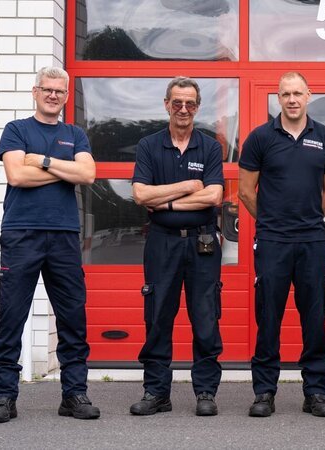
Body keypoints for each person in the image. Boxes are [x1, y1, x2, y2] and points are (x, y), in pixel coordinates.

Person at [0, 66, 100, 423]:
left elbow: (88, 174)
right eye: (47, 89)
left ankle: (74, 394)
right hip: (21, 233)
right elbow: (17, 175)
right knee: (11, 315)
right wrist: (64, 170)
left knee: (72, 317)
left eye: (59, 91)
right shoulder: (17, 129)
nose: (53, 95)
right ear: (35, 92)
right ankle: (4, 397)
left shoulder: (74, 134)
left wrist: (44, 161)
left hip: (64, 235)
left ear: (66, 97)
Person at [238, 72, 325, 418]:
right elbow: (245, 191)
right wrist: (271, 221)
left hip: (312, 240)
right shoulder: (260, 138)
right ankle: (264, 391)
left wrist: (307, 218)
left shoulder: (324, 137)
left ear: (308, 95)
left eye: (298, 93)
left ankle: (316, 392)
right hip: (272, 241)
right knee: (268, 317)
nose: (292, 100)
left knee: (315, 318)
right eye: (286, 94)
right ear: (278, 98)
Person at [130, 77, 225, 417]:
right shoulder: (149, 145)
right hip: (162, 242)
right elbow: (140, 194)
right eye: (177, 103)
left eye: (190, 103)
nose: (183, 109)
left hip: (202, 242)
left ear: (197, 107)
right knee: (157, 316)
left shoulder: (210, 147)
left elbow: (214, 196)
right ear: (166, 104)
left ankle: (206, 391)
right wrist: (188, 186)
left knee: (205, 316)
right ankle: (156, 392)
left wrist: (166, 202)